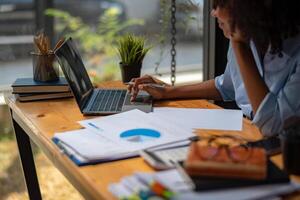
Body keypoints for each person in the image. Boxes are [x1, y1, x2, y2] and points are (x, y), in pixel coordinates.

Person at [128, 0, 300, 137]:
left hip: (283, 148)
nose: (214, 12)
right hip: (247, 130)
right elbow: (227, 86)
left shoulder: (245, 40)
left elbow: (272, 125)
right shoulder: (249, 36)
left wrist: (237, 42)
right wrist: (166, 92)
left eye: (220, 4)